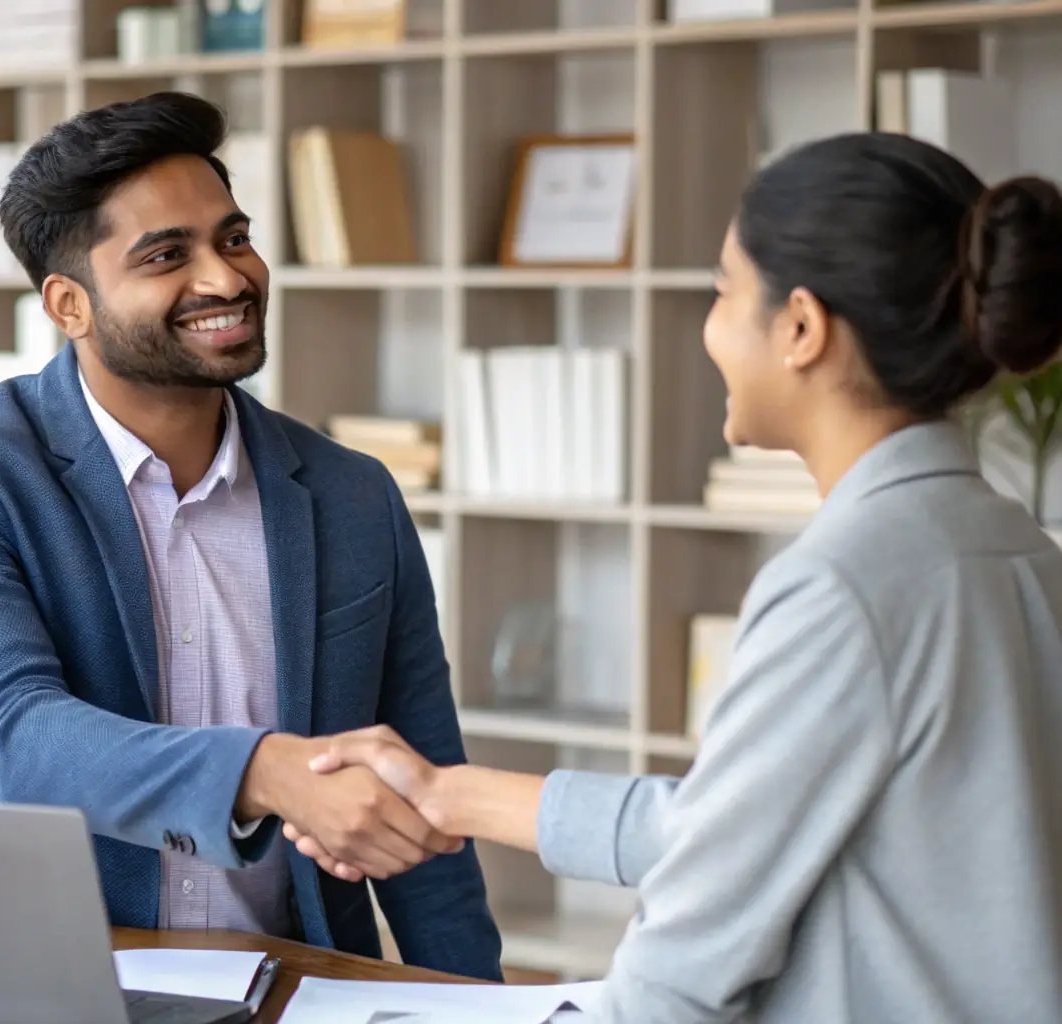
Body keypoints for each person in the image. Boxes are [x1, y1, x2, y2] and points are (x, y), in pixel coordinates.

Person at [286, 131, 1062, 1021]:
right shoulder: (1020, 552)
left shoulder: (843, 588)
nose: (710, 326)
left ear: (801, 328)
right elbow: (740, 824)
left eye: (723, 291)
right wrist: (447, 793)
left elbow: (680, 977)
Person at [0, 90, 502, 980]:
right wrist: (264, 772)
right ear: (68, 305)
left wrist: (478, 1000)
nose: (226, 278)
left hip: (295, 984)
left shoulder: (353, 494)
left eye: (233, 238)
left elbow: (424, 786)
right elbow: (19, 737)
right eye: (168, 255)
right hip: (36, 978)